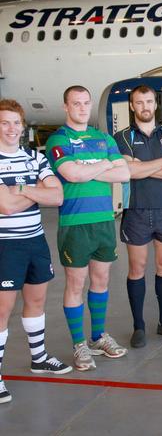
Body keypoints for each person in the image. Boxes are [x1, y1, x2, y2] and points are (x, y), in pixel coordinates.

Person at [45, 85, 131, 371]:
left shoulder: (103, 137)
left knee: (101, 281)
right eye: (76, 104)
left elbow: (124, 172)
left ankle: (97, 337)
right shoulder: (59, 138)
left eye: (86, 103)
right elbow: (71, 173)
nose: (82, 108)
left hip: (103, 221)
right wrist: (104, 164)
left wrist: (90, 167)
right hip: (75, 224)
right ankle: (79, 344)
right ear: (66, 107)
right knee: (75, 284)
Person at [0, 99, 72, 404]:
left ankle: (39, 358)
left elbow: (57, 196)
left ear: (23, 125)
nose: (12, 129)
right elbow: (4, 206)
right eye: (5, 122)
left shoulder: (34, 157)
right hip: (5, 246)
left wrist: (22, 190)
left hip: (35, 240)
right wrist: (35, 190)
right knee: (2, 310)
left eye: (16, 122)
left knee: (37, 300)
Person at [114, 85, 162, 348]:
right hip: (136, 211)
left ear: (155, 105)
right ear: (132, 106)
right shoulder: (121, 136)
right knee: (136, 269)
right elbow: (127, 172)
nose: (145, 106)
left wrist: (142, 168)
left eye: (149, 101)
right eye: (139, 102)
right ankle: (139, 326)